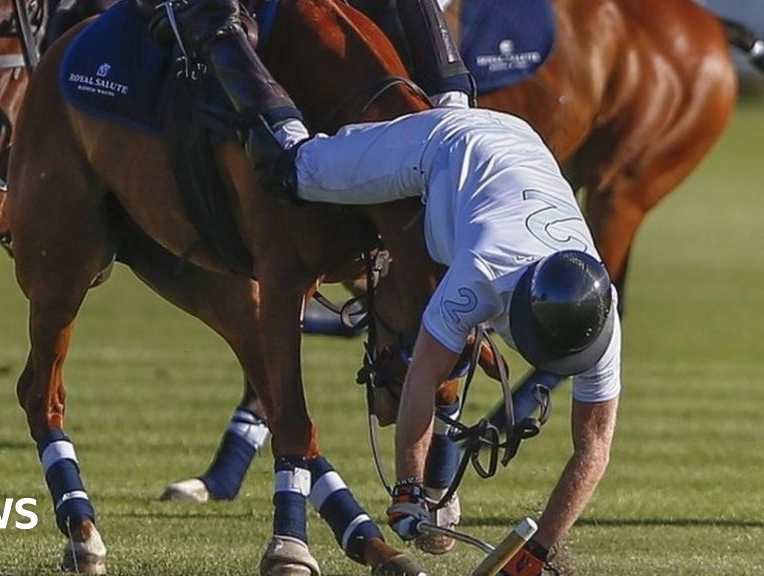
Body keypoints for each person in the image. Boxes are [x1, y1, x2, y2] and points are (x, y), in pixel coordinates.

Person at [142, 0, 621, 573]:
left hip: (515, 145)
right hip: (439, 150)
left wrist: (540, 549)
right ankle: (216, 28)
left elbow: (594, 447)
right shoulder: (481, 275)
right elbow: (420, 377)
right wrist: (409, 488)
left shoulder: (599, 313)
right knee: (293, 169)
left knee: (451, 108)